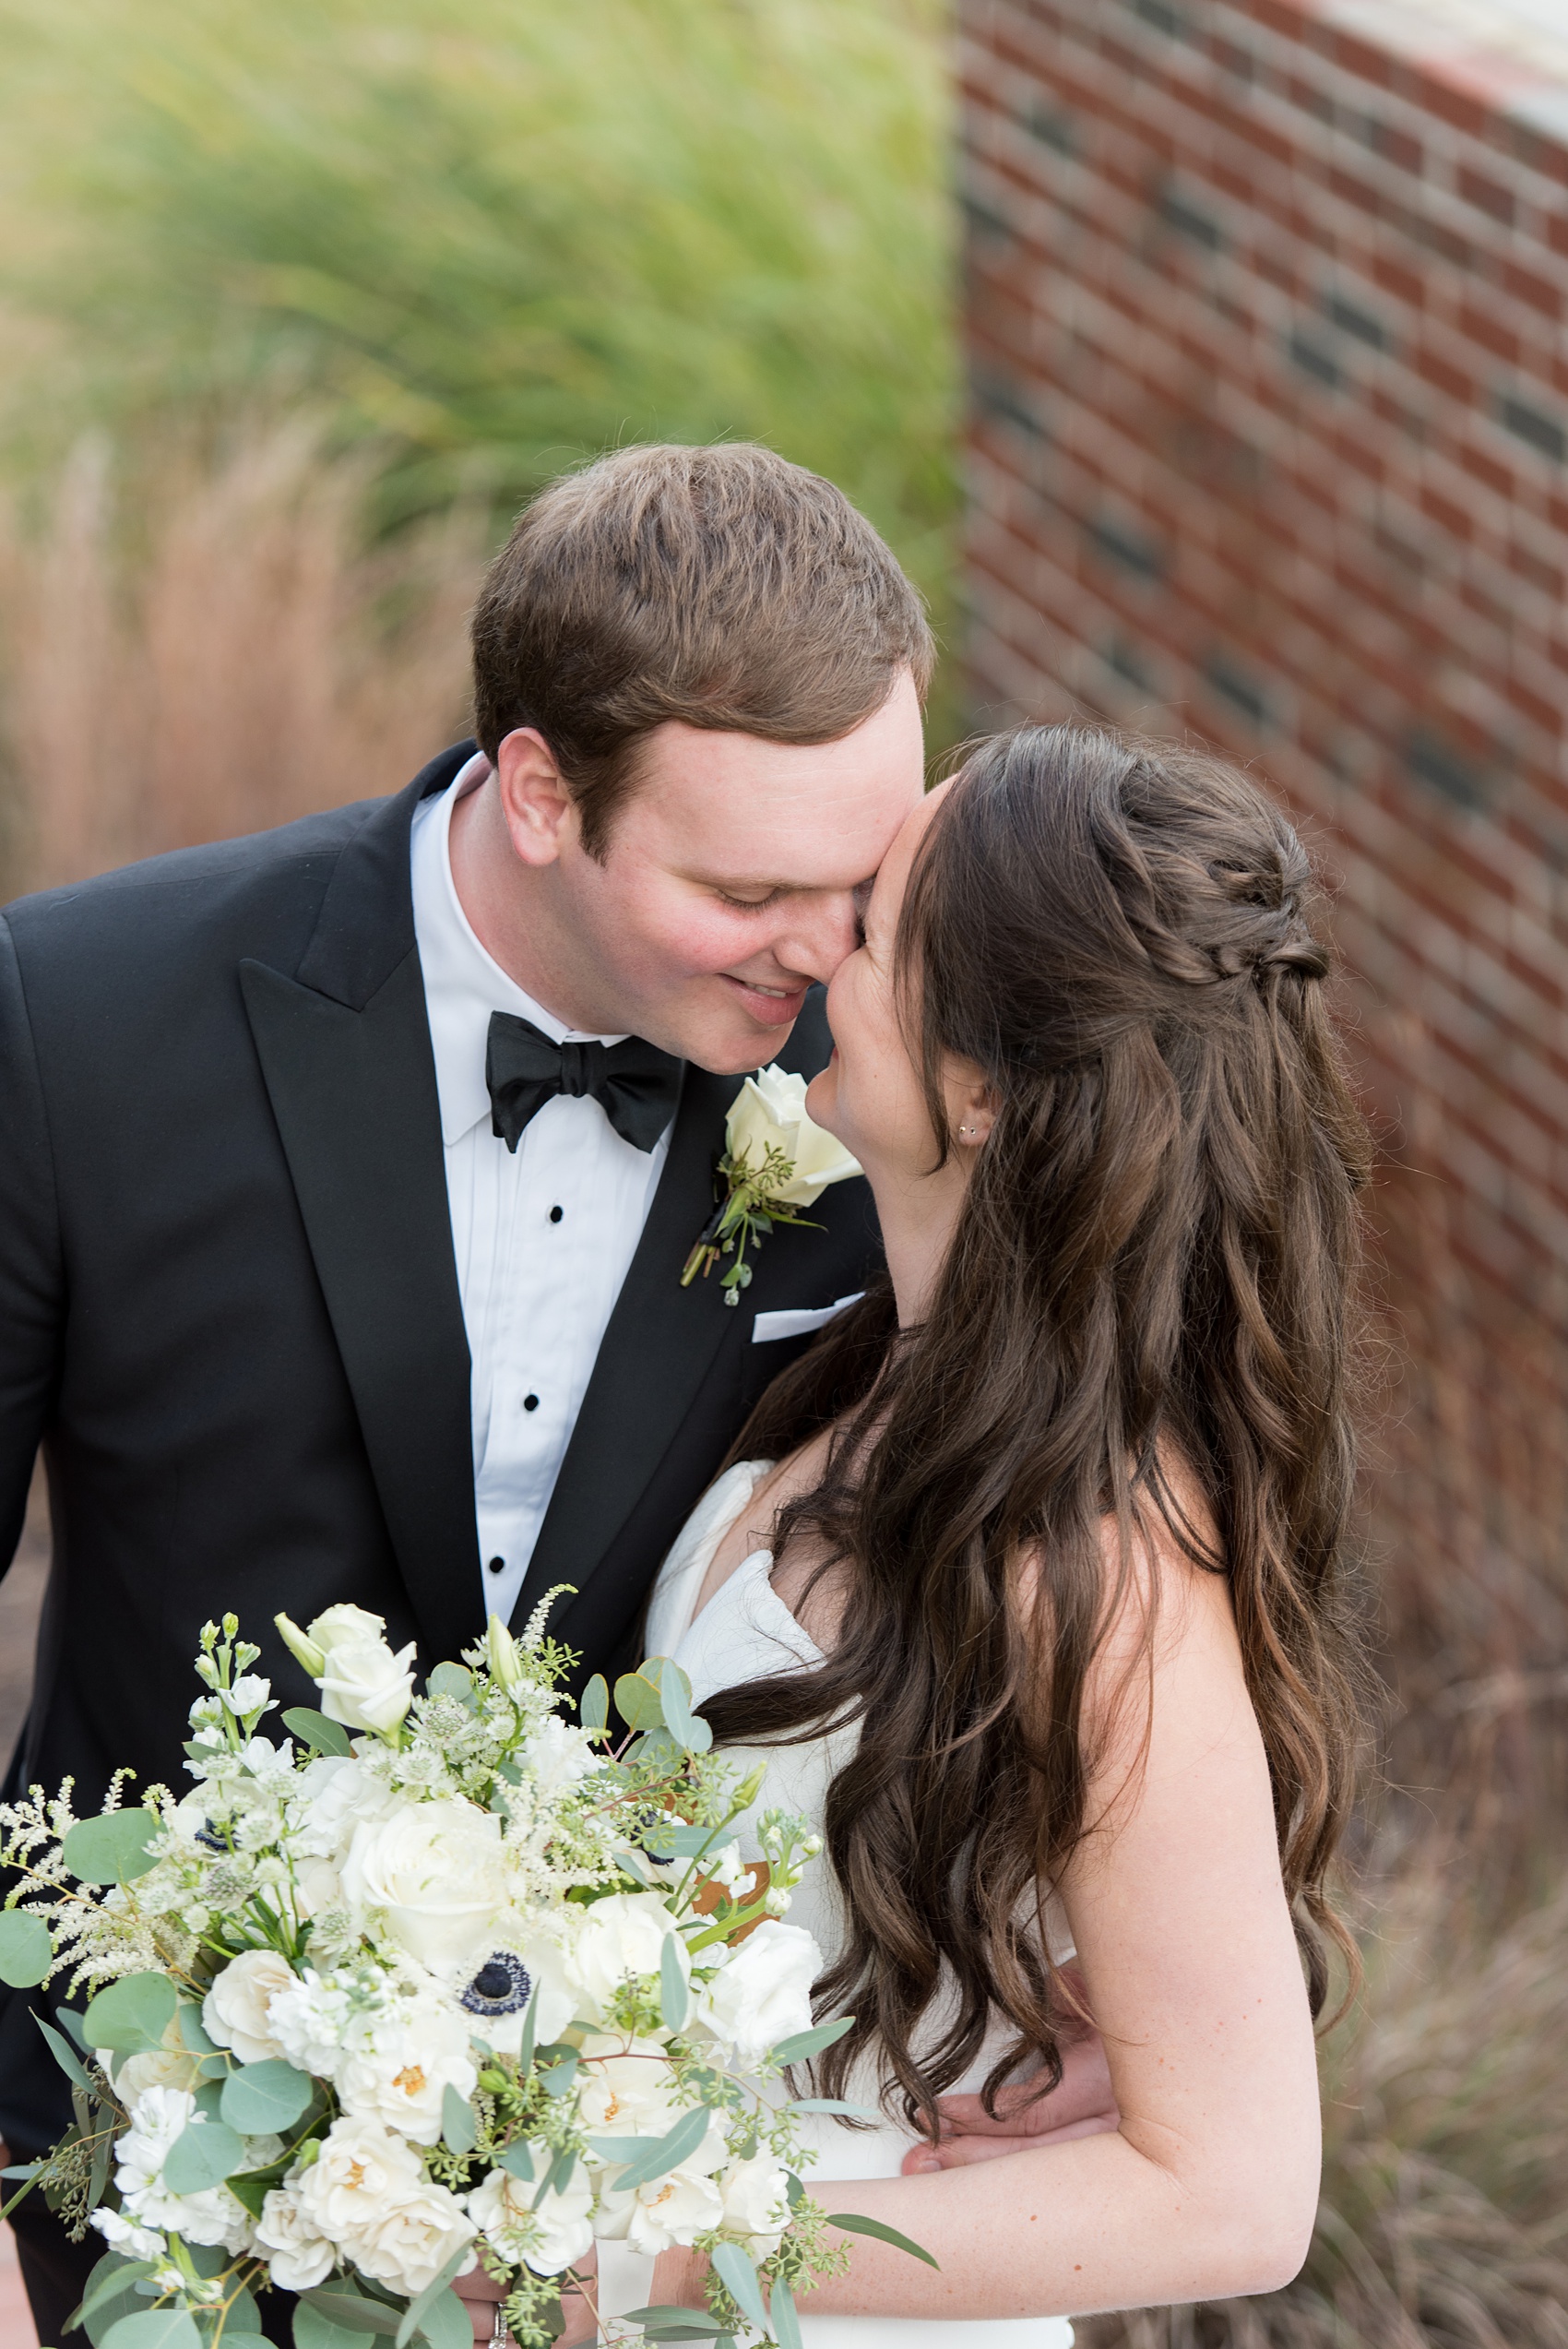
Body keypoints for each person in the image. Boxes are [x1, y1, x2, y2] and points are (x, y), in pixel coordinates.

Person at [0, 443, 935, 2343]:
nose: (832, 953)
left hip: (650, 2210)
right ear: (536, 789)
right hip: (117, 2171)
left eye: (865, 875)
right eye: (753, 884)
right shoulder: (73, 1019)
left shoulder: (891, 1083)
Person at [610, 725, 1370, 2342]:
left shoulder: (1097, 1559)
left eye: (876, 920)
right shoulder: (886, 1361)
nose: (820, 941)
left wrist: (676, 2256)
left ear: (981, 1084)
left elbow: (1233, 2187)